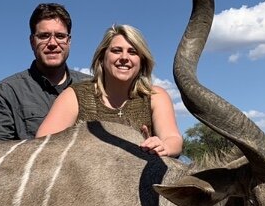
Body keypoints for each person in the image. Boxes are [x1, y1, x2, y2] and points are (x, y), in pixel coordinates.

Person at [36, 24, 183, 157]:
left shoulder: (155, 96)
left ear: (142, 62)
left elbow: (173, 139)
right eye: (116, 51)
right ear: (102, 58)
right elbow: (42, 144)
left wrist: (163, 146)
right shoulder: (75, 95)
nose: (124, 57)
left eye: (132, 52)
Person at [0, 3, 90, 149]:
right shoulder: (6, 91)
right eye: (44, 36)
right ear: (32, 42)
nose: (52, 43)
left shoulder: (92, 86)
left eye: (60, 36)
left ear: (69, 41)